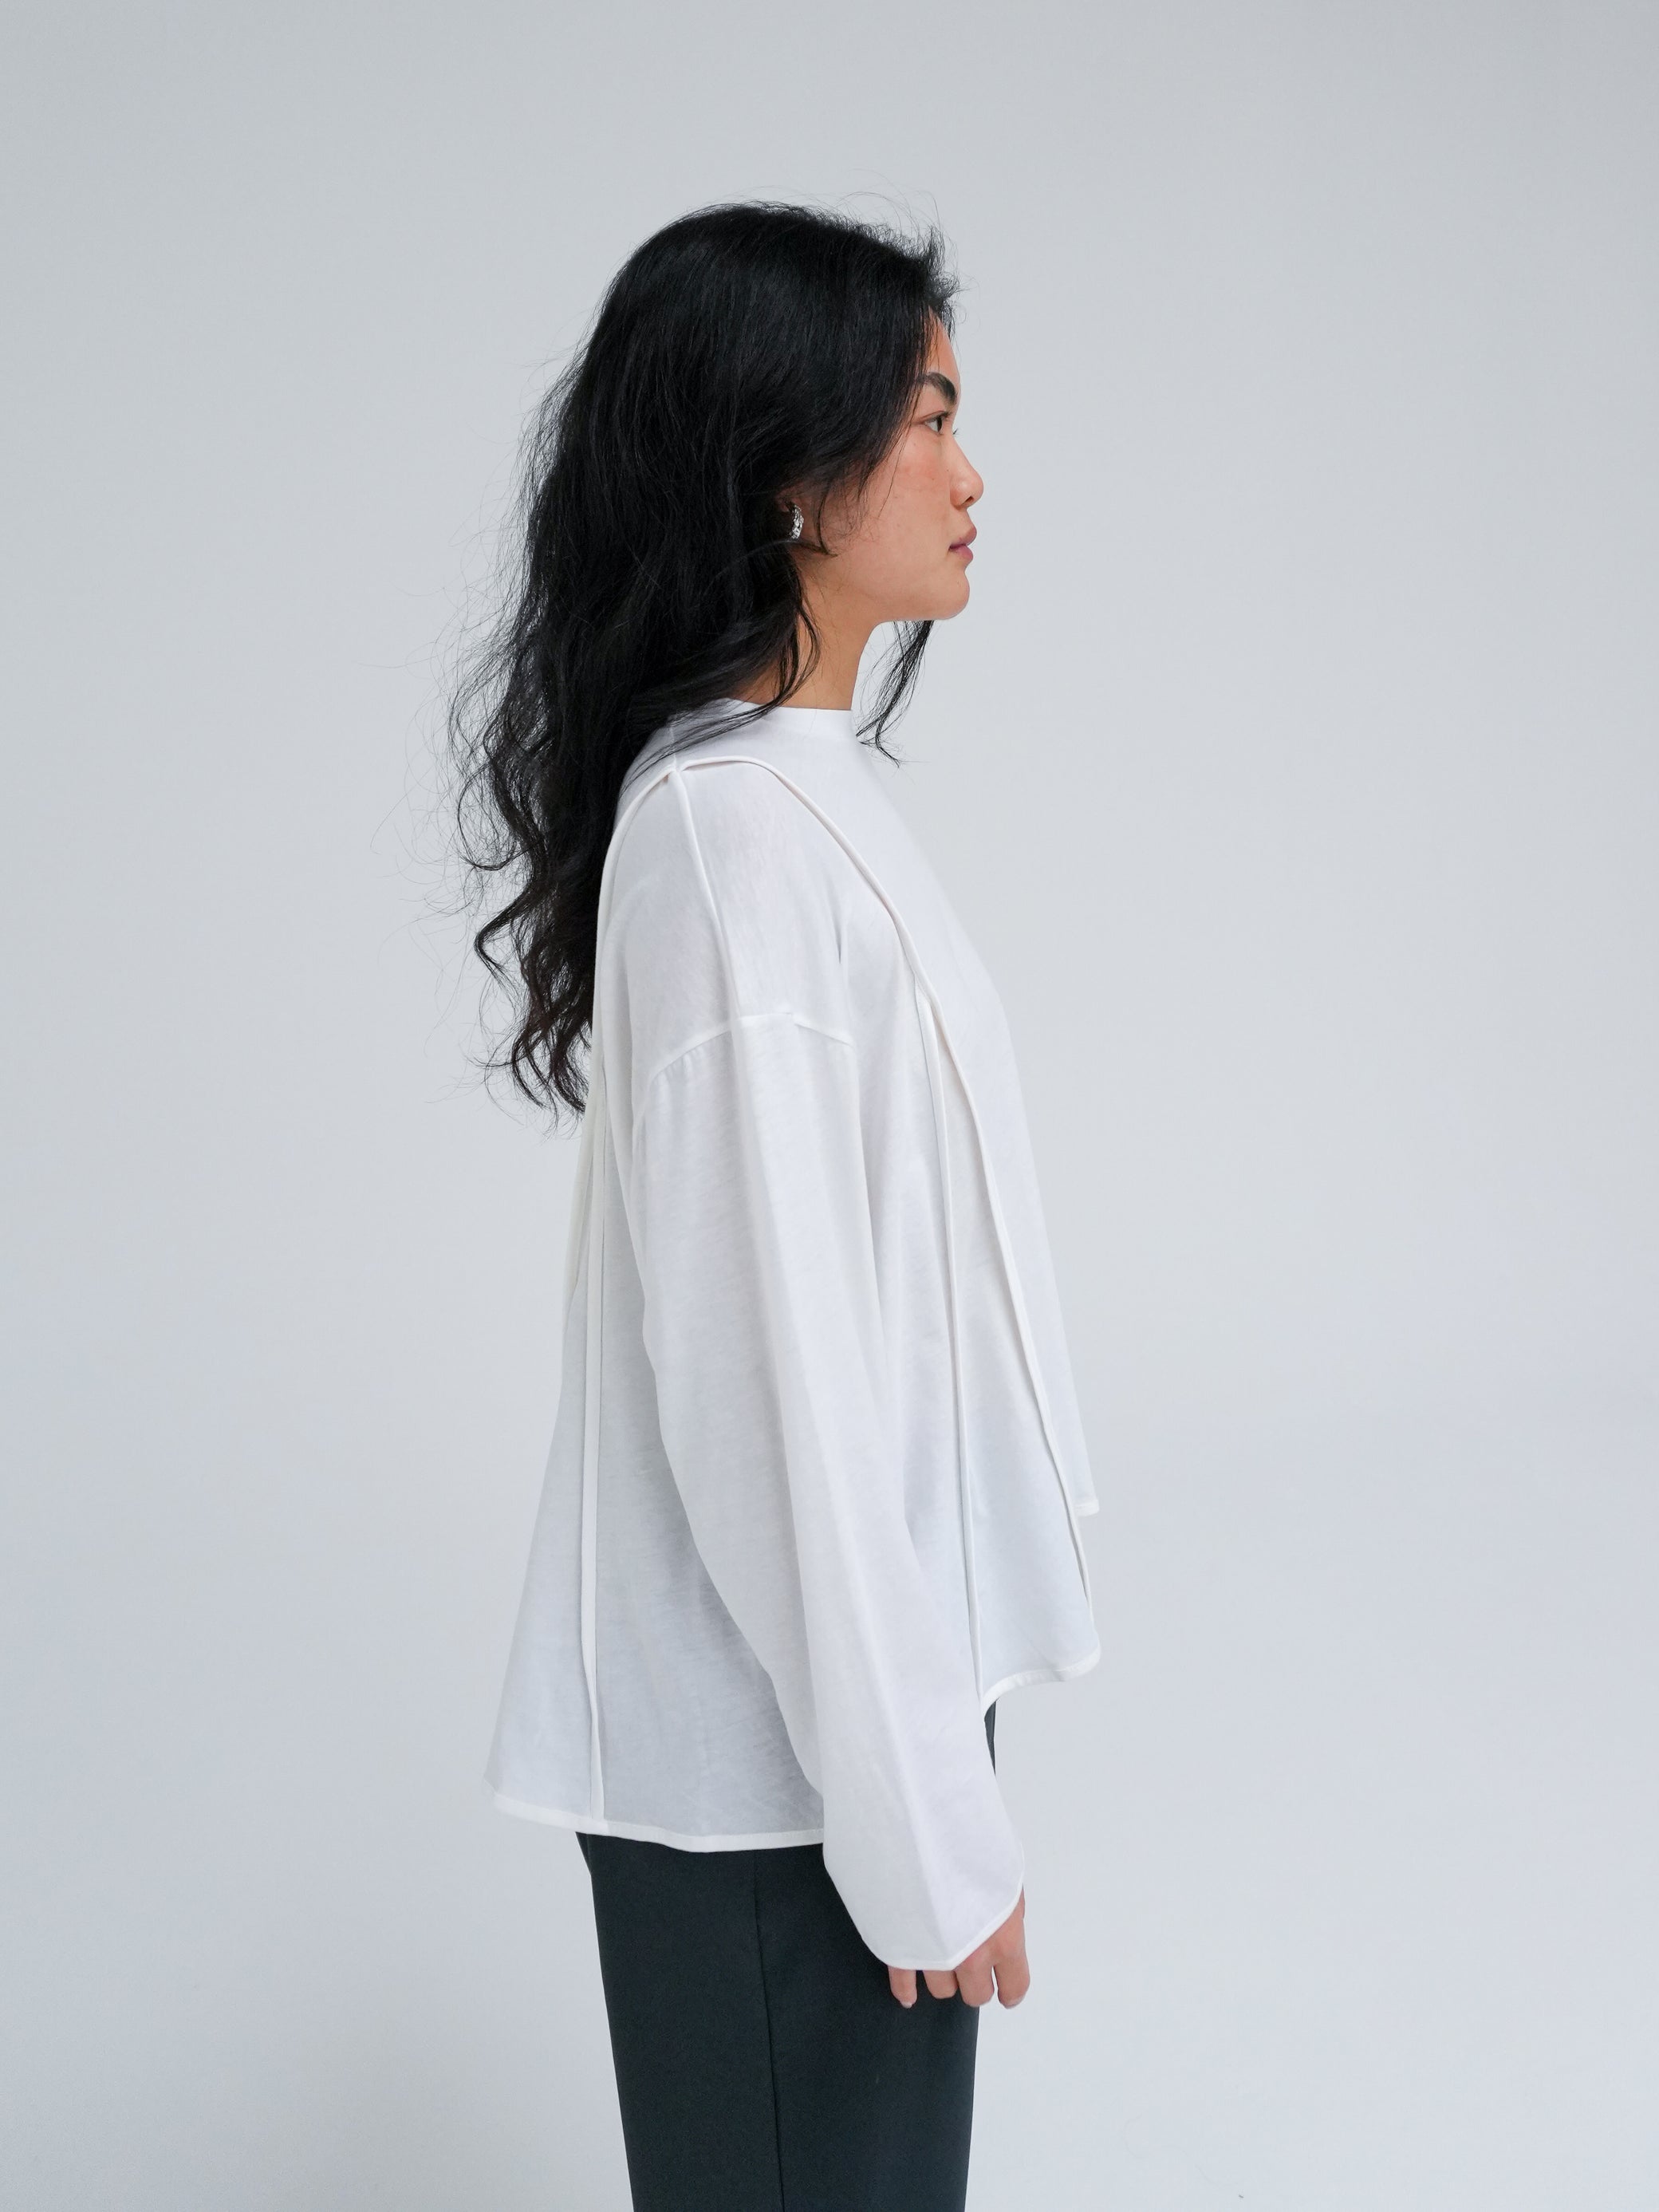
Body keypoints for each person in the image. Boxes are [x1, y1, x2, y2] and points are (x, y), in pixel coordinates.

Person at [449, 201, 1100, 2212]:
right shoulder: (727, 845)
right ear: (792, 479)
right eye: (930, 418)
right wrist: (916, 1824)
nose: (969, 473)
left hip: (847, 1734)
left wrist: (924, 1764)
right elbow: (770, 1385)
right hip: (780, 1787)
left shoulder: (795, 803)